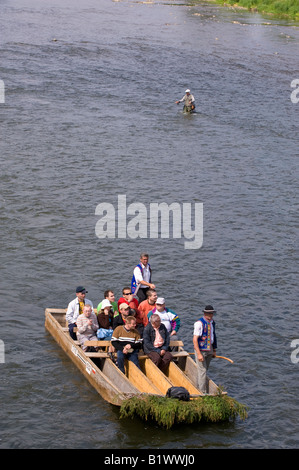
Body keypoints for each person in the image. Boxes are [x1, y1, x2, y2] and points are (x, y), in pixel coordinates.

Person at [193, 305, 217, 394]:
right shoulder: (199, 323)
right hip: (201, 349)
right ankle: (202, 392)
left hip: (209, 348)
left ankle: (197, 387)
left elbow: (213, 335)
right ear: (204, 313)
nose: (210, 315)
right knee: (202, 370)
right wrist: (198, 353)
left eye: (212, 313)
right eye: (209, 313)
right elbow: (195, 339)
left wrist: (214, 349)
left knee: (203, 370)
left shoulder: (212, 322)